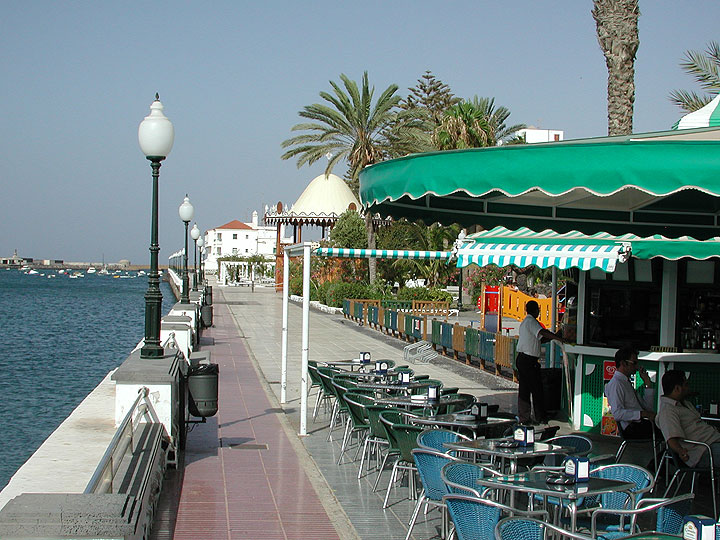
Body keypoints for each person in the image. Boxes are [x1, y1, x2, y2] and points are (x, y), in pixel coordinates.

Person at [656, 370, 720, 468]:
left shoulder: (684, 403)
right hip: (703, 451)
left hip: (713, 441)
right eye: (686, 384)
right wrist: (681, 451)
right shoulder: (668, 411)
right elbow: (671, 439)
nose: (688, 388)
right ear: (677, 388)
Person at [516, 300, 564, 425]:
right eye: (538, 310)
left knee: (525, 389)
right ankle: (540, 416)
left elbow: (539, 340)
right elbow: (542, 332)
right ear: (535, 310)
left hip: (523, 359)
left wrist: (553, 337)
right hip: (528, 360)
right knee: (536, 389)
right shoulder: (531, 321)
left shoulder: (526, 322)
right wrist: (558, 338)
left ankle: (525, 417)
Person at [604, 347, 656, 439]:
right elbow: (617, 413)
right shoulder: (616, 384)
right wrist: (641, 414)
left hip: (640, 423)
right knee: (668, 430)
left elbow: (648, 408)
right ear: (623, 363)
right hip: (632, 427)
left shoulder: (625, 382)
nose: (636, 367)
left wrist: (647, 383)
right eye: (634, 363)